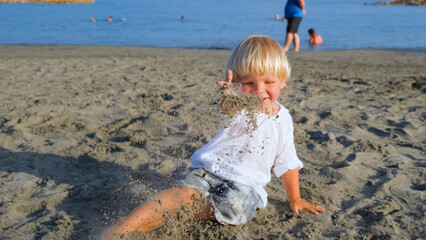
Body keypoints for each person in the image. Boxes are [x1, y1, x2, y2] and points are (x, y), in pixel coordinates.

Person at [104, 35, 325, 238]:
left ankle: (187, 210)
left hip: (246, 183)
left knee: (238, 208)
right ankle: (122, 230)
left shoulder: (283, 119)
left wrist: (295, 198)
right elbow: (227, 112)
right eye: (248, 83)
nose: (259, 90)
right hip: (208, 169)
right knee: (183, 193)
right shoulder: (237, 105)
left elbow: (287, 162)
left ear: (283, 81)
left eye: (269, 82)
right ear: (236, 82)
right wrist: (228, 97)